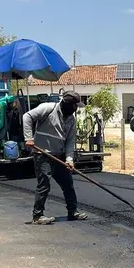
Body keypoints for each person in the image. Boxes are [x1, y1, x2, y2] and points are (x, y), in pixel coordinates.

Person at [23, 91, 88, 225]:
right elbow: (27, 116)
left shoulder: (71, 120)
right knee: (44, 184)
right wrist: (28, 137)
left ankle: (73, 211)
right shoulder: (47, 108)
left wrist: (69, 160)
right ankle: (38, 216)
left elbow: (70, 141)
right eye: (75, 106)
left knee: (68, 184)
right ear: (67, 104)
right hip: (43, 155)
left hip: (59, 156)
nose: (76, 109)